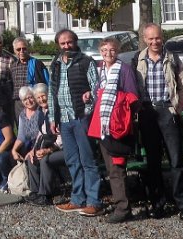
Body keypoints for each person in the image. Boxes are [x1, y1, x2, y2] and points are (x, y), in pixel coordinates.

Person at [133, 23, 183, 220]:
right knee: (153, 162)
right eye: (150, 38)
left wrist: (178, 107)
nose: (154, 42)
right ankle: (158, 204)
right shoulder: (138, 59)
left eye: (157, 38)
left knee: (176, 160)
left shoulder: (173, 58)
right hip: (148, 113)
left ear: (162, 37)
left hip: (168, 111)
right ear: (144, 39)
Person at [49, 29, 103, 217]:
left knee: (88, 160)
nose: (66, 46)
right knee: (72, 161)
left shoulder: (85, 62)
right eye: (62, 43)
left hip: (81, 117)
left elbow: (97, 87)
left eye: (69, 42)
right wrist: (52, 118)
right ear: (58, 45)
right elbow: (51, 92)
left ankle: (94, 201)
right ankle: (77, 199)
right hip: (63, 120)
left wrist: (90, 99)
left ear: (75, 42)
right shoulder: (55, 64)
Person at [90, 38, 140, 223]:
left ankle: (123, 208)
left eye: (111, 50)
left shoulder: (124, 70)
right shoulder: (100, 70)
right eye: (104, 50)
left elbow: (133, 97)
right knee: (112, 168)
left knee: (117, 168)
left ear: (117, 51)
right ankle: (121, 204)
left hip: (117, 126)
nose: (108, 53)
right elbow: (97, 93)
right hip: (103, 127)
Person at [23, 83, 66, 206]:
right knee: (32, 158)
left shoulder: (57, 112)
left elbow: (61, 138)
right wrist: (33, 150)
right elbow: (40, 134)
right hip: (47, 145)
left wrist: (48, 150)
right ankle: (35, 192)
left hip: (62, 148)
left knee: (45, 159)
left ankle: (46, 195)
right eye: (38, 98)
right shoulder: (41, 112)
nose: (41, 99)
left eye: (43, 96)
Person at [9, 37, 48, 116]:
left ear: (28, 49)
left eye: (24, 48)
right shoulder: (13, 66)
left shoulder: (37, 64)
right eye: (18, 49)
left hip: (34, 102)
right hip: (18, 103)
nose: (21, 51)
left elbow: (46, 82)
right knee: (21, 126)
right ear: (14, 51)